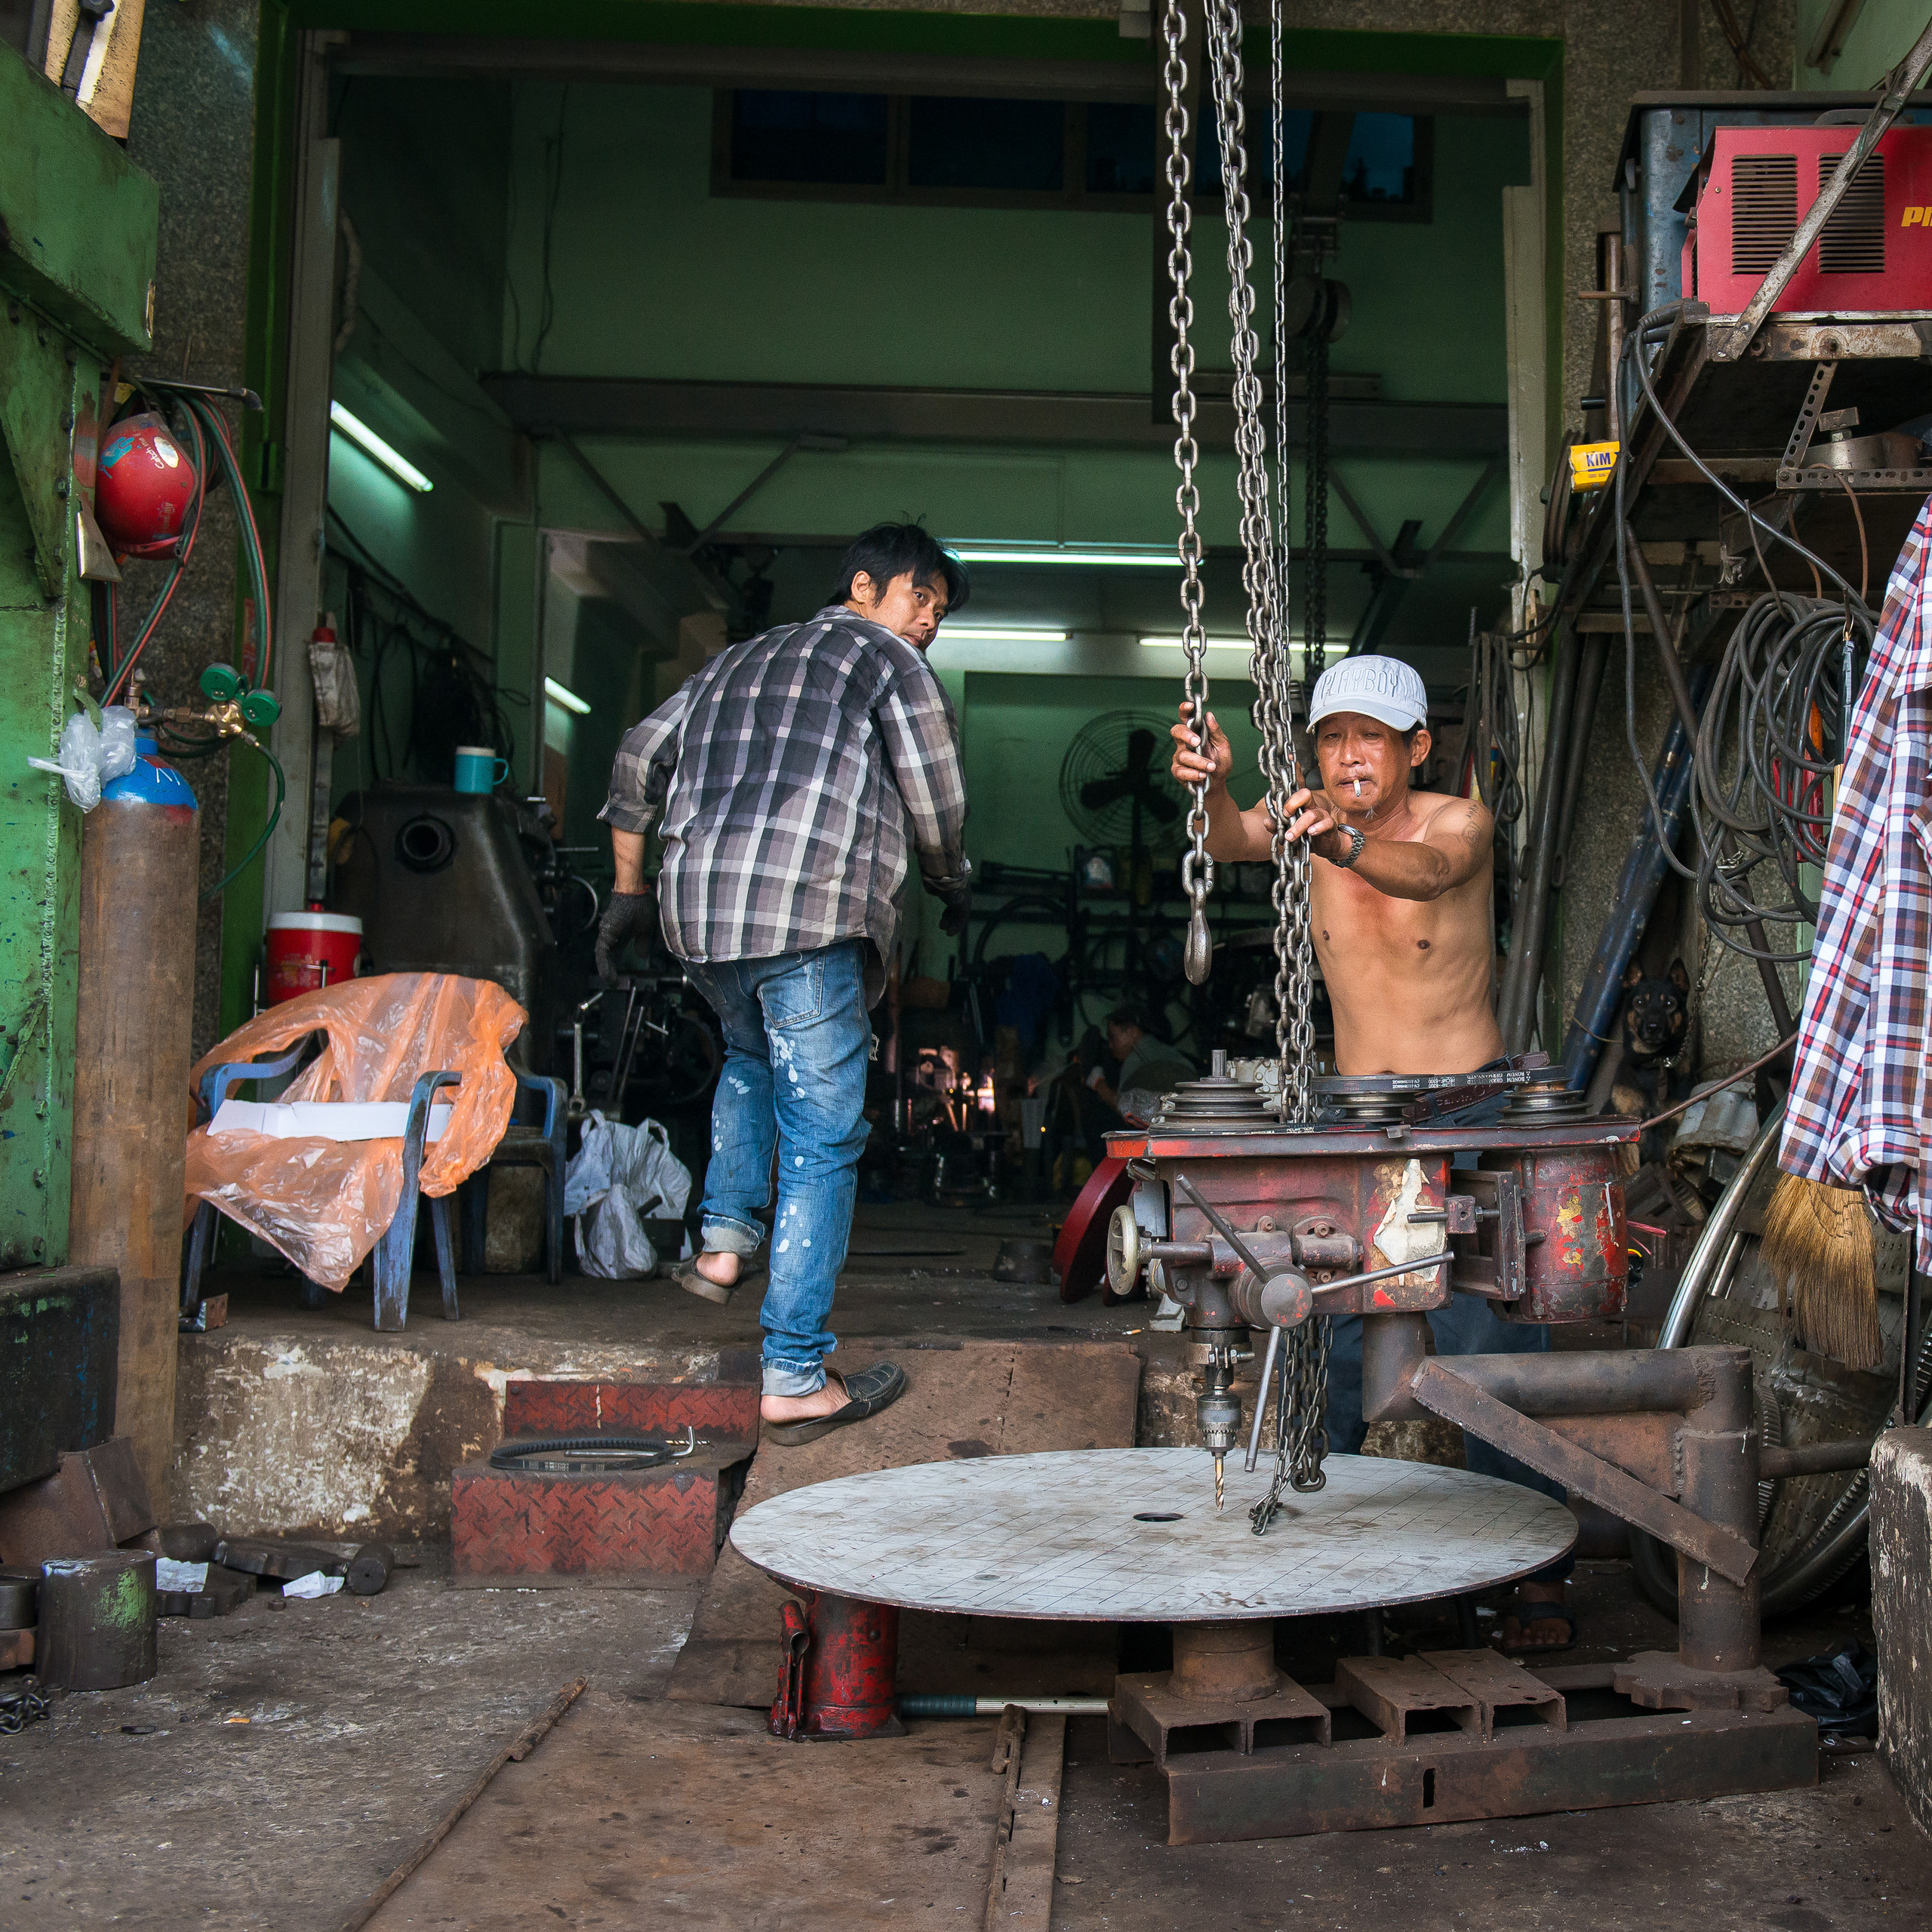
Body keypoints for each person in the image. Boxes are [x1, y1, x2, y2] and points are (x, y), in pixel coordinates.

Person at [1169, 652, 1573, 1652]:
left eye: (1371, 740)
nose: (1349, 756)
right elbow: (1226, 841)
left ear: (1415, 749)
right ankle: (1311, 1566)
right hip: (1353, 1112)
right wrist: (1218, 786)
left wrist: (1338, 837)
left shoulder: (1456, 822)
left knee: (1493, 1342)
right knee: (1327, 1328)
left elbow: (1426, 872)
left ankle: (1532, 1575)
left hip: (1467, 1112)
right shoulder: (1303, 817)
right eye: (1333, 739)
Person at [595, 523, 973, 1446]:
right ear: (862, 586)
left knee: (748, 1056)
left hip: (704, 919)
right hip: (803, 913)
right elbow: (933, 789)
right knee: (824, 1135)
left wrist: (627, 890)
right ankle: (796, 1374)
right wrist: (950, 871)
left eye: (938, 609)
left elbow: (637, 757)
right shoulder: (885, 660)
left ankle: (722, 1244)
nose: (927, 619)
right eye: (919, 595)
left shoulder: (734, 661)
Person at [1087, 1005, 1195, 1121]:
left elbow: (1125, 1109)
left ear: (1132, 1031)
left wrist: (1099, 1083)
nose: (1110, 1045)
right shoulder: (1170, 1052)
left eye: (1112, 1038)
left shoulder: (1136, 1061)